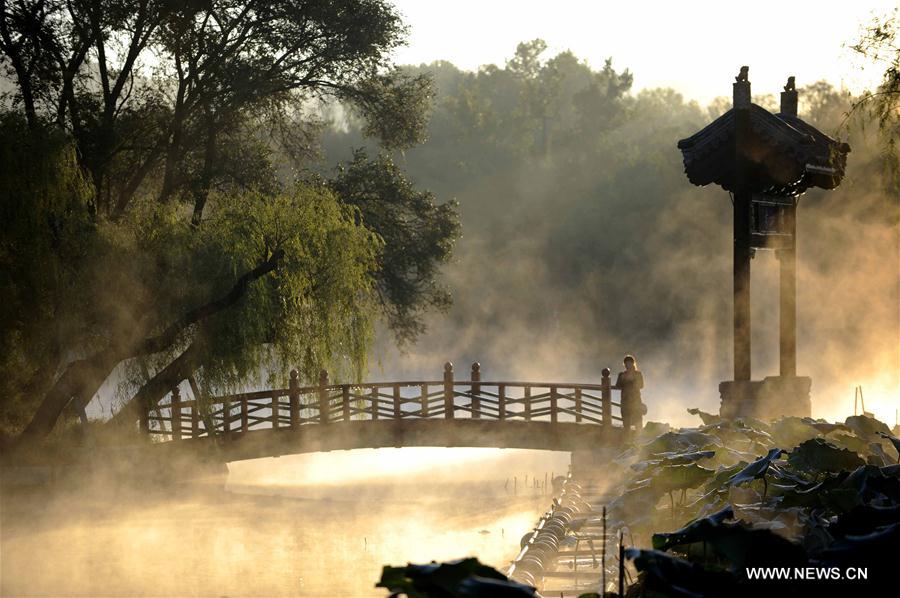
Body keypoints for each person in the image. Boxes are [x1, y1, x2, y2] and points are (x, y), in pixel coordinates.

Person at [616, 355, 644, 435]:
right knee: (626, 423)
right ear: (624, 365)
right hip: (625, 401)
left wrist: (632, 380)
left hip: (636, 401)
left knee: (638, 422)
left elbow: (641, 385)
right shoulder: (621, 374)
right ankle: (627, 441)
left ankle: (639, 440)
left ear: (633, 363)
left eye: (629, 363)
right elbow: (617, 386)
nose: (628, 365)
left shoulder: (638, 374)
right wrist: (623, 379)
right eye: (626, 363)